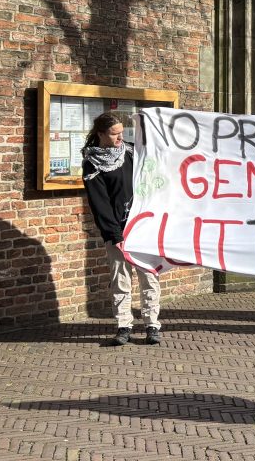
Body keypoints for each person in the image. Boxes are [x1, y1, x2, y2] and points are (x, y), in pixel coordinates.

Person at [81, 112, 162, 346]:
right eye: (114, 134)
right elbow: (100, 203)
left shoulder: (132, 152)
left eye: (121, 132)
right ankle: (123, 325)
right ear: (100, 134)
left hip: (142, 226)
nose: (120, 137)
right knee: (120, 279)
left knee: (149, 276)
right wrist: (114, 235)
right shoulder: (92, 162)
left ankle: (152, 324)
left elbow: (154, 175)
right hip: (117, 230)